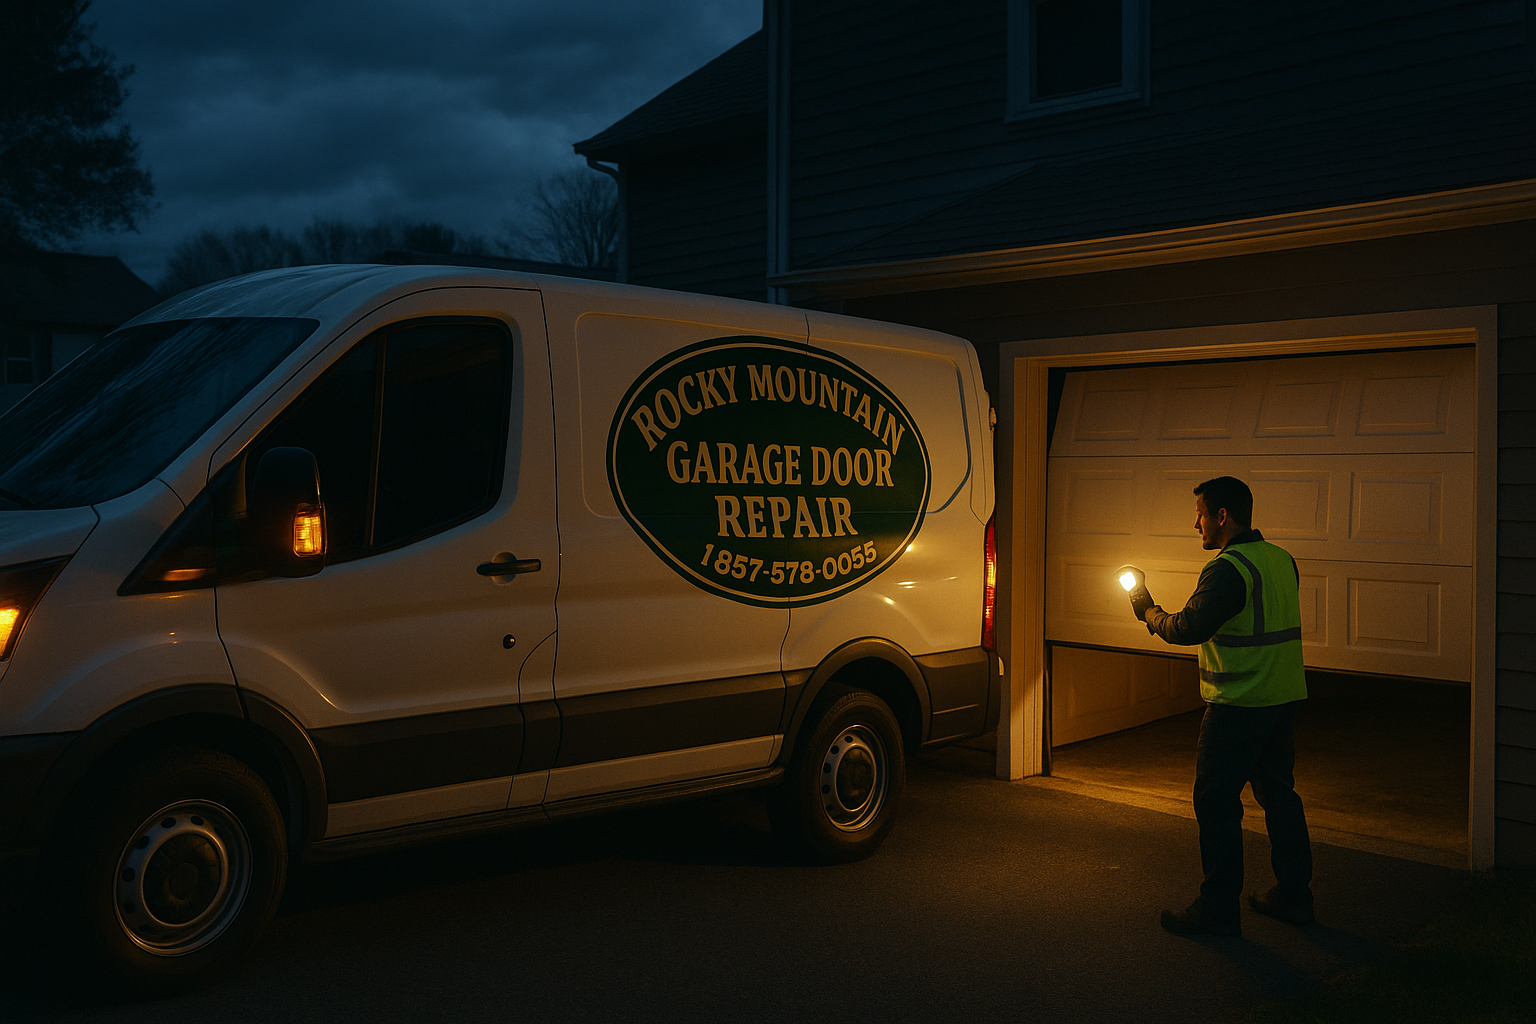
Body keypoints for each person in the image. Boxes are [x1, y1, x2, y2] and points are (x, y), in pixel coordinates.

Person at [1124, 475, 1315, 937]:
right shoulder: (1281, 559)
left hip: (1237, 706)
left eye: (1200, 515)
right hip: (1281, 699)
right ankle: (1294, 897)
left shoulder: (1228, 569)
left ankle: (1218, 910)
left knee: (1216, 804)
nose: (1197, 525)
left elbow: (1188, 628)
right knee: (1279, 796)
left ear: (1222, 516)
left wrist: (1147, 610)